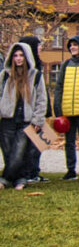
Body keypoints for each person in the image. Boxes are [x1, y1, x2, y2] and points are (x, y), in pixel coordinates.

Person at [0, 42, 47, 190]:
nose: (18, 58)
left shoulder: (36, 75)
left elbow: (41, 99)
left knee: (19, 152)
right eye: (15, 55)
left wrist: (38, 119)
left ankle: (5, 179)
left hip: (26, 120)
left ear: (27, 57)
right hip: (7, 119)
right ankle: (20, 179)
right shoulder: (5, 75)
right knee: (8, 152)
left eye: (21, 55)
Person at [51, 34, 79, 181]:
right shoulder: (66, 64)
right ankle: (70, 170)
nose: (72, 47)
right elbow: (59, 87)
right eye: (71, 45)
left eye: (75, 45)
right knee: (69, 142)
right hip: (67, 110)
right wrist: (58, 108)